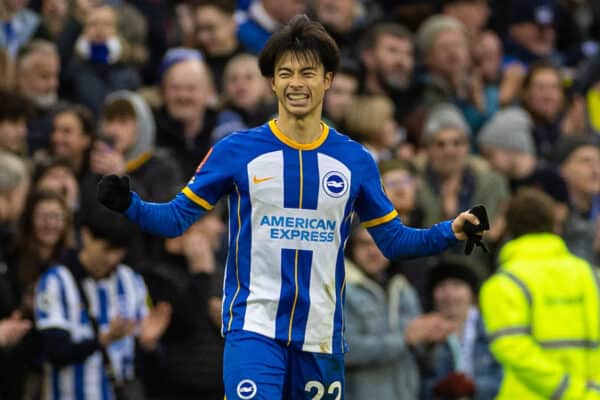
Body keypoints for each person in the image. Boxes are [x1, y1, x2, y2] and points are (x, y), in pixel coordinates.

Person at [97, 15, 484, 400]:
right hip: (254, 327)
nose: (296, 83)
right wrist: (129, 204)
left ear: (327, 79)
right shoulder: (236, 151)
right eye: (285, 73)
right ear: (273, 81)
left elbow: (395, 242)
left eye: (308, 73)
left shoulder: (355, 161)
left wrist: (451, 231)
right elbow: (175, 219)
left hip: (320, 335)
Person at [34, 205, 172, 400]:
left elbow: (147, 368)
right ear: (86, 236)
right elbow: (54, 351)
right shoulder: (55, 282)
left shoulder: (132, 281)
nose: (112, 258)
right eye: (106, 249)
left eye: (119, 251)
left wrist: (148, 345)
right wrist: (103, 340)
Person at [480, 187, 600, 399]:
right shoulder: (589, 274)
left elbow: (514, 351)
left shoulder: (503, 284)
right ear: (555, 225)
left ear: (508, 227)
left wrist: (569, 391)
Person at [344, 226, 454, 400]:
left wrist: (430, 341)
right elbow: (346, 351)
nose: (374, 252)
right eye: (365, 245)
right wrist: (405, 339)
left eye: (380, 244)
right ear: (351, 248)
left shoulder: (403, 288)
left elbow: (425, 362)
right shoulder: (341, 290)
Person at [422, 260, 502, 400]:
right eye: (442, 287)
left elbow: (505, 376)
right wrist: (439, 389)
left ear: (471, 293)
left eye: (457, 286)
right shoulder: (423, 333)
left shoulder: (492, 327)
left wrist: (472, 388)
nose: (449, 295)